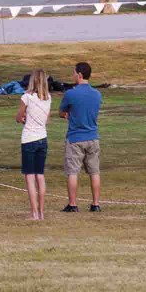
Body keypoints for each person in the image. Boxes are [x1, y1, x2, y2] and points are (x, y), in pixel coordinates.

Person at [59, 61, 102, 213]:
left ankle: (72, 204)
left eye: (74, 73)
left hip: (75, 137)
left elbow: (62, 112)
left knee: (72, 172)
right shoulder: (97, 94)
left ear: (80, 75)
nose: (73, 75)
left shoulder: (71, 93)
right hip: (93, 136)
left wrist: (69, 115)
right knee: (94, 171)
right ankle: (95, 203)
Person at [17, 69, 51, 220]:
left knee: (30, 177)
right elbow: (47, 120)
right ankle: (42, 212)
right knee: (40, 176)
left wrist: (23, 118)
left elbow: (19, 117)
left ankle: (34, 213)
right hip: (42, 139)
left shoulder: (26, 97)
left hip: (29, 139)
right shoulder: (48, 98)